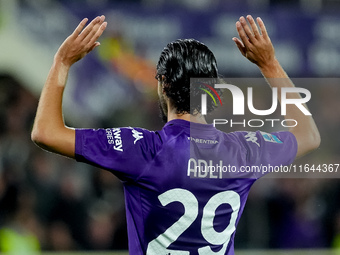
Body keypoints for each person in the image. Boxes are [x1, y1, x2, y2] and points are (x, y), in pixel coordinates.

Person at [31, 14, 320, 254]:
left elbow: (45, 132)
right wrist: (268, 64)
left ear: (162, 83)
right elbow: (307, 134)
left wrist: (62, 62)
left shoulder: (142, 150)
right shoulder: (244, 151)